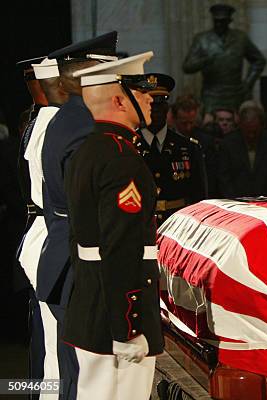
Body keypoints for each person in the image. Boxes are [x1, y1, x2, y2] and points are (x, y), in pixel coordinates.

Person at [65, 51, 164, 400]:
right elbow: (121, 247)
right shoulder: (122, 160)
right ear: (120, 99)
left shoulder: (88, 151)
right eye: (142, 92)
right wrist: (128, 325)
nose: (151, 98)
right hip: (114, 316)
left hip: (92, 305)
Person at [40, 31, 119, 400]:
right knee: (88, 380)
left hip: (68, 261)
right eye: (113, 73)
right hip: (80, 267)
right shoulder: (84, 127)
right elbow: (90, 208)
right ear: (92, 77)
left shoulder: (70, 119)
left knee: (76, 375)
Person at [17, 57, 68, 400]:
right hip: (52, 230)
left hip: (41, 230)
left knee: (46, 340)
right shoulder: (54, 122)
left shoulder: (40, 119)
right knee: (53, 344)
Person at [136, 73, 206, 224]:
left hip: (178, 224)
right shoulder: (129, 145)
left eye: (160, 104)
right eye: (151, 103)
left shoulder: (187, 147)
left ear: (167, 108)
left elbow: (199, 196)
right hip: (140, 225)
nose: (155, 110)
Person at [183, 3, 267, 113]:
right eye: (216, 21)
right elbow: (187, 66)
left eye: (222, 21)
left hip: (236, 92)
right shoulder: (202, 39)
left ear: (229, 21)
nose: (219, 24)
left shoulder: (240, 38)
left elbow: (259, 60)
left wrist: (248, 83)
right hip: (212, 95)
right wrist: (204, 61)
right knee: (210, 125)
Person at [218, 103, 267, 198]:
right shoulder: (228, 144)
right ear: (240, 126)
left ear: (262, 126)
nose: (251, 136)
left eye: (255, 132)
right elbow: (225, 178)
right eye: (247, 132)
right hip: (236, 203)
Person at [170, 94, 219, 198]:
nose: (188, 127)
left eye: (191, 122)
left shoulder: (205, 142)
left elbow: (211, 176)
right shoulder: (167, 141)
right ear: (174, 119)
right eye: (184, 123)